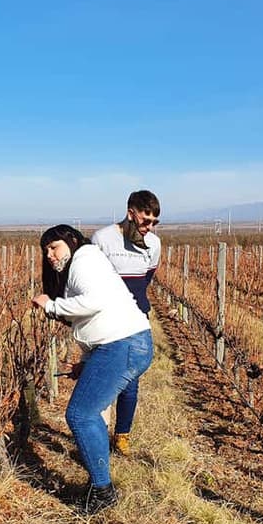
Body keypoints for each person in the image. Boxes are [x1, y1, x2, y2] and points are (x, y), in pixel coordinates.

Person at [32, 225, 153, 514]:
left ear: (71, 241)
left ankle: (102, 490)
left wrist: (51, 306)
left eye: (54, 247)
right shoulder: (88, 260)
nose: (50, 255)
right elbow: (99, 317)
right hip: (124, 343)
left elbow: (93, 302)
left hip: (122, 344)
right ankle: (99, 483)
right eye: (46, 250)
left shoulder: (84, 258)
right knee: (87, 413)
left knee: (80, 414)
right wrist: (86, 364)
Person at [90, 190, 161, 455]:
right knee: (101, 384)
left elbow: (145, 280)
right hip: (105, 322)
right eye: (145, 221)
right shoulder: (102, 239)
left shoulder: (154, 244)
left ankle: (122, 436)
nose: (149, 227)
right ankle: (96, 438)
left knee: (130, 383)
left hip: (135, 322)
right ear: (131, 212)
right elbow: (92, 278)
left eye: (154, 223)